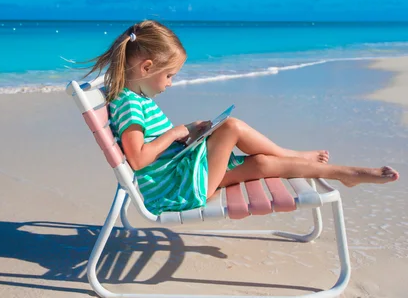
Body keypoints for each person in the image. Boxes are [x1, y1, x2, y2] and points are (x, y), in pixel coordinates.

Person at [84, 20, 400, 215]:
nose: (171, 83)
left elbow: (154, 151)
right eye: (170, 76)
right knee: (232, 127)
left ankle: (344, 173)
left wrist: (191, 134)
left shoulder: (137, 98)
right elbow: (138, 160)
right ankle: (295, 154)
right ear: (147, 68)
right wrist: (176, 132)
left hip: (183, 174)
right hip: (176, 188)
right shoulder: (129, 104)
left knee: (261, 164)